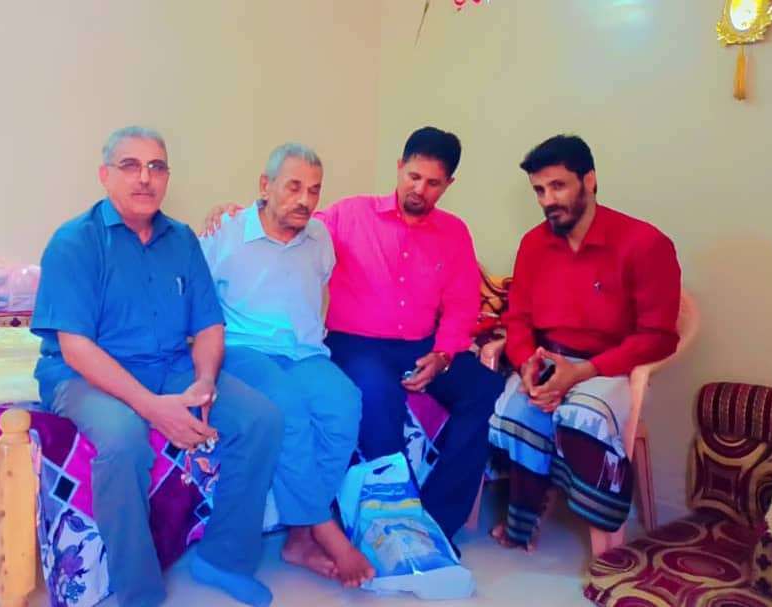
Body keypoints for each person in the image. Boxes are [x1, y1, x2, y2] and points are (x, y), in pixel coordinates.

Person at [206, 127, 506, 547]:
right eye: (413, 176)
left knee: (486, 387)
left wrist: (443, 354)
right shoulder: (349, 215)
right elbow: (288, 221)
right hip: (357, 342)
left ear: (448, 184)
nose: (419, 189)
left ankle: (436, 520)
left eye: (433, 183)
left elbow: (461, 303)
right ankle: (394, 519)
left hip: (423, 345)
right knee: (376, 393)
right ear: (399, 168)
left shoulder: (454, 233)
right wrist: (239, 212)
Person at [31, 126, 282, 607]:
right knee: (124, 440)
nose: (144, 178)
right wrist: (151, 408)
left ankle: (224, 559)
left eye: (156, 166)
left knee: (260, 419)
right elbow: (76, 347)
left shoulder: (182, 240)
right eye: (130, 165)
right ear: (105, 175)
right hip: (84, 374)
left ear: (167, 177)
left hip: (170, 364)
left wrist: (205, 381)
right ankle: (140, 593)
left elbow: (208, 325)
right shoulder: (74, 242)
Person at [488, 134, 681, 552]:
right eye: (539, 190)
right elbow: (518, 318)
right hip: (549, 359)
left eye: (558, 186)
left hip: (611, 367)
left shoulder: (645, 244)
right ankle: (525, 516)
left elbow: (659, 337)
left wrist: (582, 373)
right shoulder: (534, 243)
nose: (547, 200)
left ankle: (606, 536)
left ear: (589, 180)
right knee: (513, 410)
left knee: (583, 415)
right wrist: (526, 365)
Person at [199, 142, 373, 587]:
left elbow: (321, 289)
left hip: (305, 352)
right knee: (287, 408)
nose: (304, 200)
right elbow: (196, 302)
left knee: (345, 404)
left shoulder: (320, 238)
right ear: (265, 185)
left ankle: (298, 538)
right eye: (294, 187)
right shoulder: (225, 232)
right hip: (243, 349)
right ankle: (323, 527)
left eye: (314, 190)